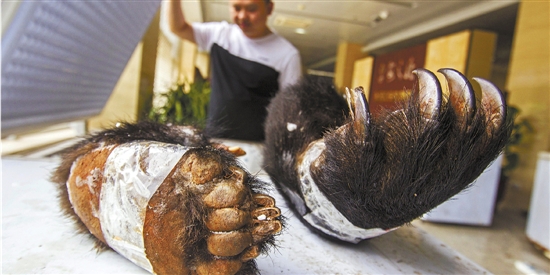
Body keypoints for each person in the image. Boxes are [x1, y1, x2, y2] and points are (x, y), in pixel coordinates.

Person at [168, 0, 302, 141]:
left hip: (258, 146)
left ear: (269, 8)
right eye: (236, 8)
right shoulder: (220, 35)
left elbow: (290, 109)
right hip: (215, 141)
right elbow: (179, 28)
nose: (242, 16)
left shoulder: (287, 54)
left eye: (251, 9)